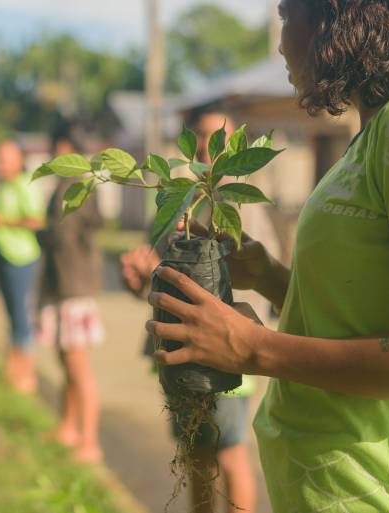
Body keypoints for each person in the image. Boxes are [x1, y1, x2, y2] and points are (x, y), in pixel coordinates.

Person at [148, 1, 389, 512]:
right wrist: (270, 276)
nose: (281, 43)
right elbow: (365, 314)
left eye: (288, 17)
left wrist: (253, 348)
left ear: (339, 14)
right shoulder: (379, 129)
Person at [121, 112, 260, 513]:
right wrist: (138, 278)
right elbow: (155, 276)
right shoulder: (176, 198)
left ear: (237, 146)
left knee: (229, 453)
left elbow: (257, 274)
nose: (206, 144)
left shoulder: (240, 200)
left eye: (219, 137)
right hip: (178, 350)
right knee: (196, 457)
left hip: (225, 350)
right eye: (200, 134)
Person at [37, 125, 105, 463]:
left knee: (78, 365)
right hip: (64, 284)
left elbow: (61, 235)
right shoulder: (73, 185)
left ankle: (89, 440)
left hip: (73, 285)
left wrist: (41, 233)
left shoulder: (76, 186)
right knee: (66, 360)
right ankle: (68, 427)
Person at [0, 140, 45, 393]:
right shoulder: (3, 186)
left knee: (21, 315)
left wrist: (3, 221)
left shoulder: (25, 185)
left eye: (5, 159)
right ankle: (12, 368)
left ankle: (27, 374)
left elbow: (36, 221)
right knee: (11, 314)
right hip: (3, 254)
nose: (0, 164)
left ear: (19, 160)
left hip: (22, 258)